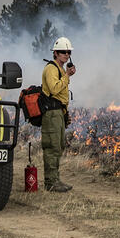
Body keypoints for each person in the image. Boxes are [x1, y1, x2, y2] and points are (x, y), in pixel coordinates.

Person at [40, 37, 76, 192]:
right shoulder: (51, 69)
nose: (66, 55)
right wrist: (67, 76)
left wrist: (65, 113)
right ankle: (51, 182)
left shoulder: (60, 69)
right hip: (51, 113)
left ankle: (55, 179)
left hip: (59, 113)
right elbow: (54, 89)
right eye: (63, 52)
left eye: (68, 52)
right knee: (52, 146)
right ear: (55, 53)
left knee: (59, 145)